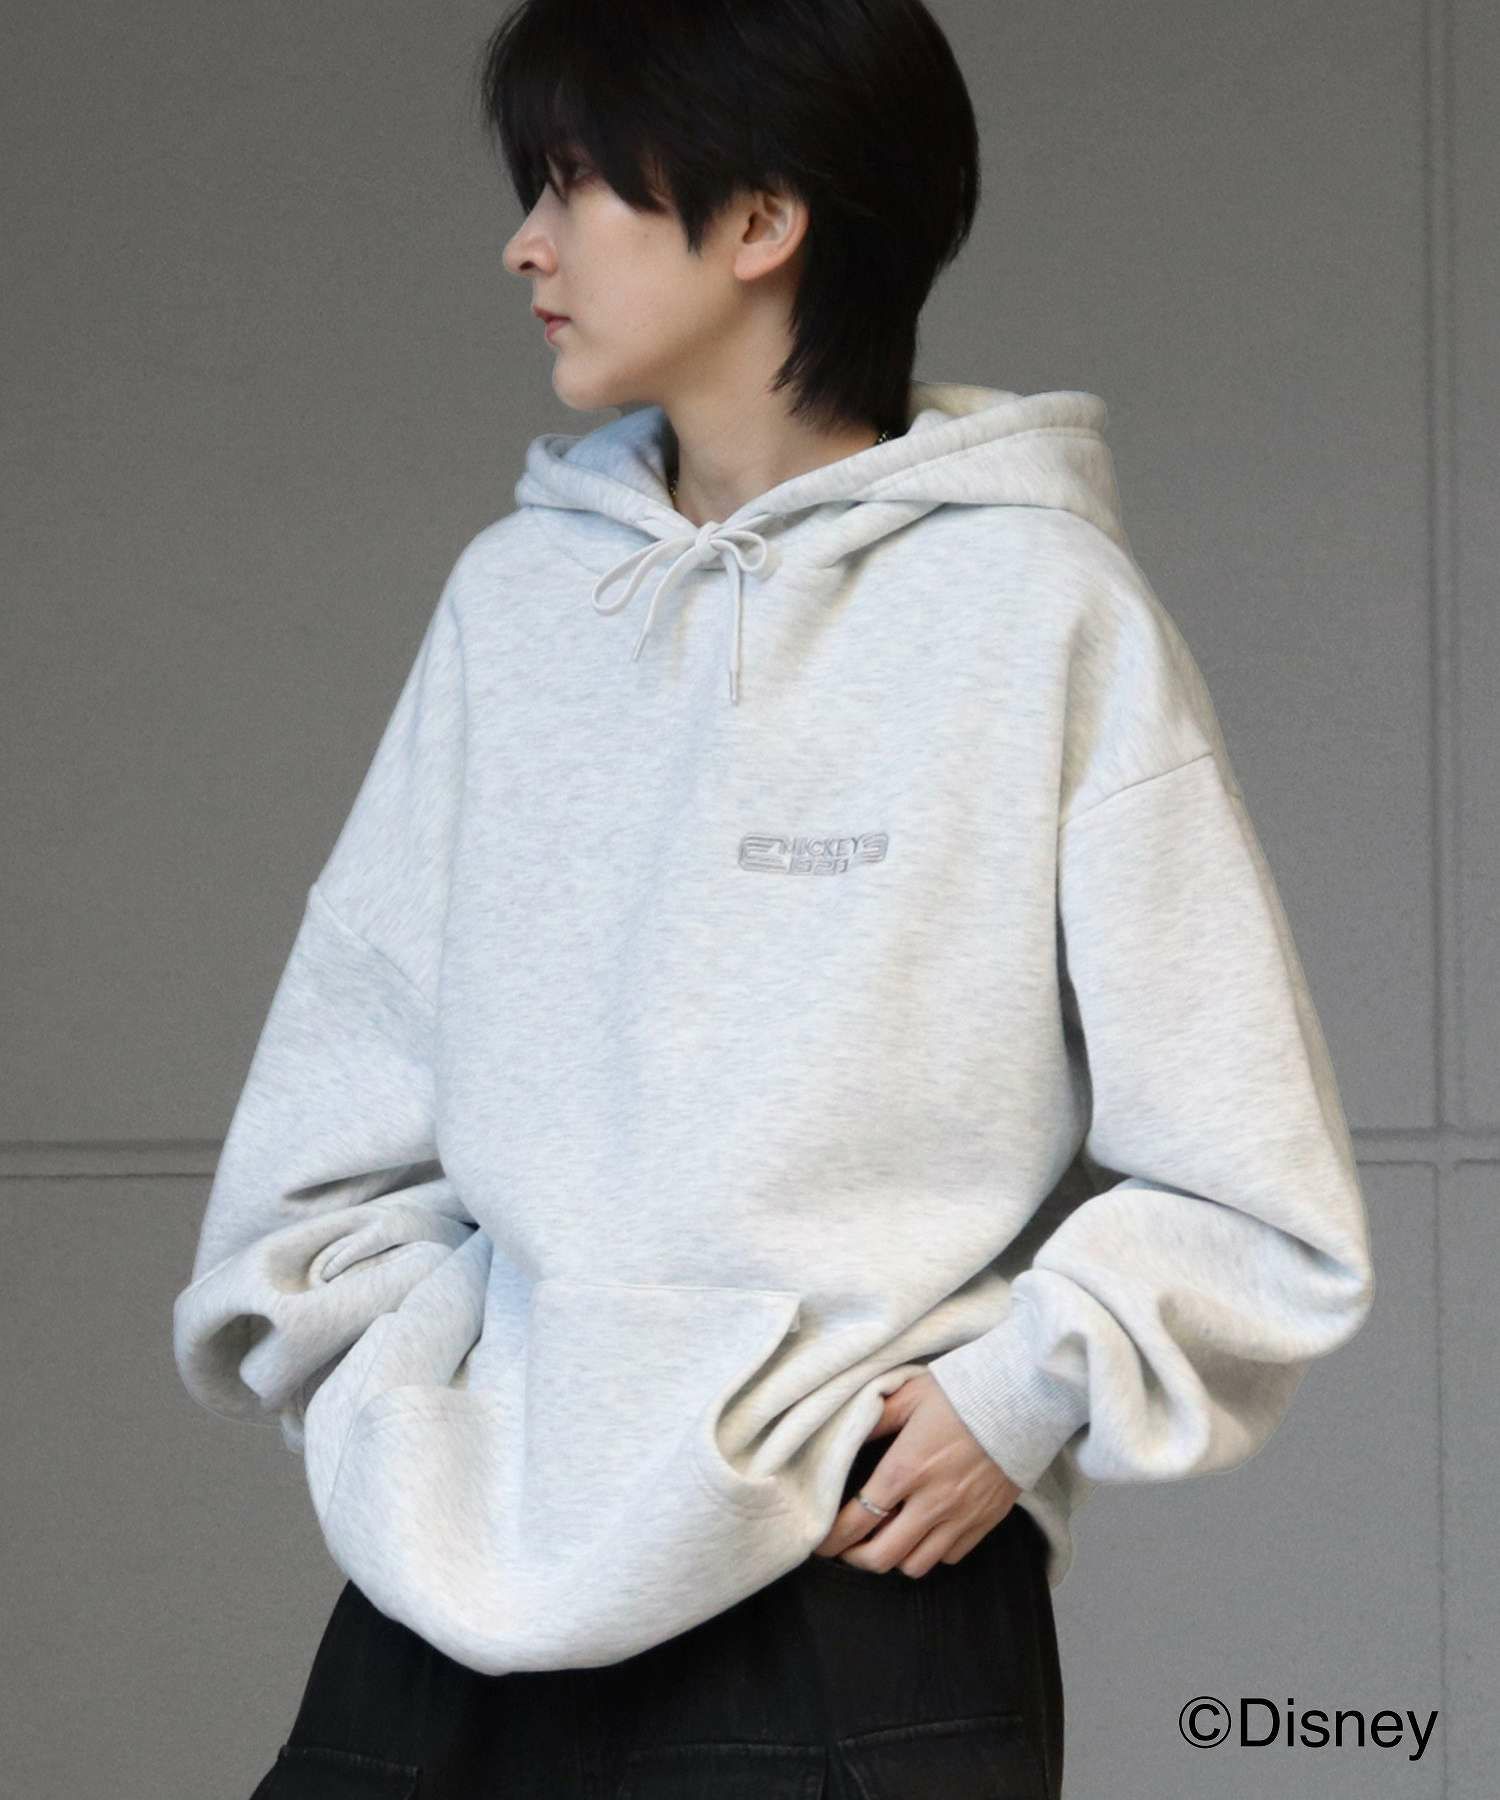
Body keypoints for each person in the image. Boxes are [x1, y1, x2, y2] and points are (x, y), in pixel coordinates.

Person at [172, 1, 1377, 1795]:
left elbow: (1256, 1186)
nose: (525, 246)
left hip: (852, 1588)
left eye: (574, 185)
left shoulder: (1039, 612)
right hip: (452, 1594)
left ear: (761, 219)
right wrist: (405, 1412)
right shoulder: (517, 606)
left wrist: (1020, 1388)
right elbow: (326, 1146)